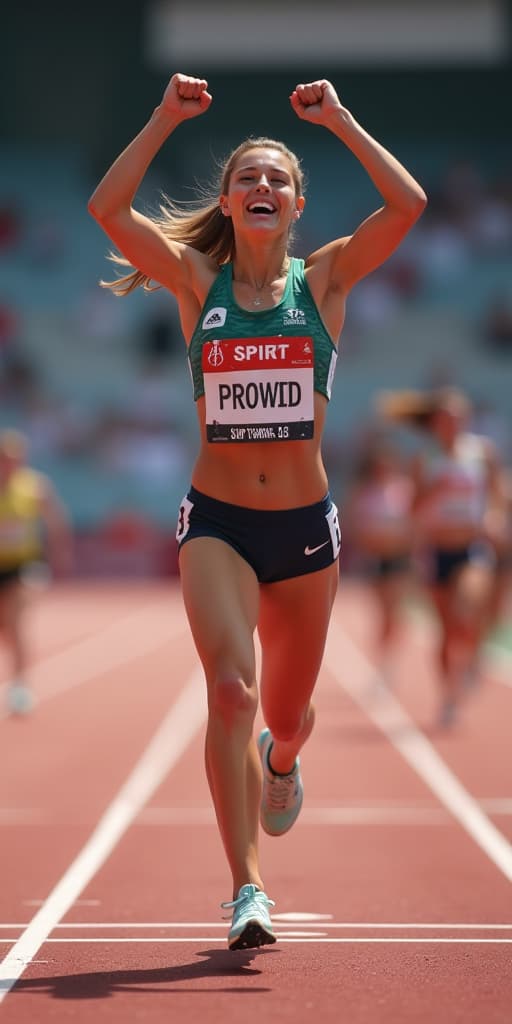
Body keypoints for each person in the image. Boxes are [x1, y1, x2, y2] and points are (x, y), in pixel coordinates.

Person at [88, 72, 427, 949]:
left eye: (278, 179)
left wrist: (342, 119)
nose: (263, 188)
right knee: (230, 693)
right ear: (231, 204)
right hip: (219, 523)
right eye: (249, 179)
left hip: (307, 530)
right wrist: (163, 114)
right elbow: (109, 210)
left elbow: (408, 203)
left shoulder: (327, 281)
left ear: (298, 203)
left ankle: (284, 762)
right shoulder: (196, 282)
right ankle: (247, 888)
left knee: (285, 716)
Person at [379, 387, 501, 726]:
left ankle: (474, 655)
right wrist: (434, 491)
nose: (453, 423)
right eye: (446, 417)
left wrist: (494, 520)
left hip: (472, 547)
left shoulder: (482, 454)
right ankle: (449, 694)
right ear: (435, 423)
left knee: (467, 610)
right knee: (446, 630)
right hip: (436, 550)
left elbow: (495, 497)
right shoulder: (424, 459)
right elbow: (412, 507)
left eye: (459, 417)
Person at [0, 429, 73, 714]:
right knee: (5, 627)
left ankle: (19, 687)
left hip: (24, 564)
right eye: (4, 458)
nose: (9, 463)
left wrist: (59, 553)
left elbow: (55, 519)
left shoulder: (34, 486)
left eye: (14, 458)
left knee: (16, 623)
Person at [344, 431, 415, 662]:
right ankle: (382, 655)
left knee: (396, 610)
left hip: (399, 556)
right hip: (375, 557)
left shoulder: (404, 489)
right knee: (383, 610)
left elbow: (414, 521)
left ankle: (388, 658)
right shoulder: (366, 492)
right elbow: (353, 523)